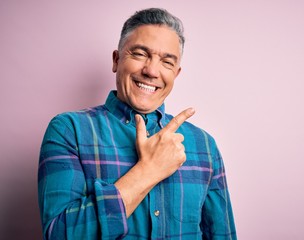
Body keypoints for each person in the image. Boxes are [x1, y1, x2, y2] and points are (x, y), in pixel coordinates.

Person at [38, 8, 236, 239]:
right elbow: (58, 235)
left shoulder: (204, 145)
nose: (152, 71)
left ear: (176, 73)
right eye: (140, 54)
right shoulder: (68, 130)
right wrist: (148, 171)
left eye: (166, 62)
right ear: (116, 60)